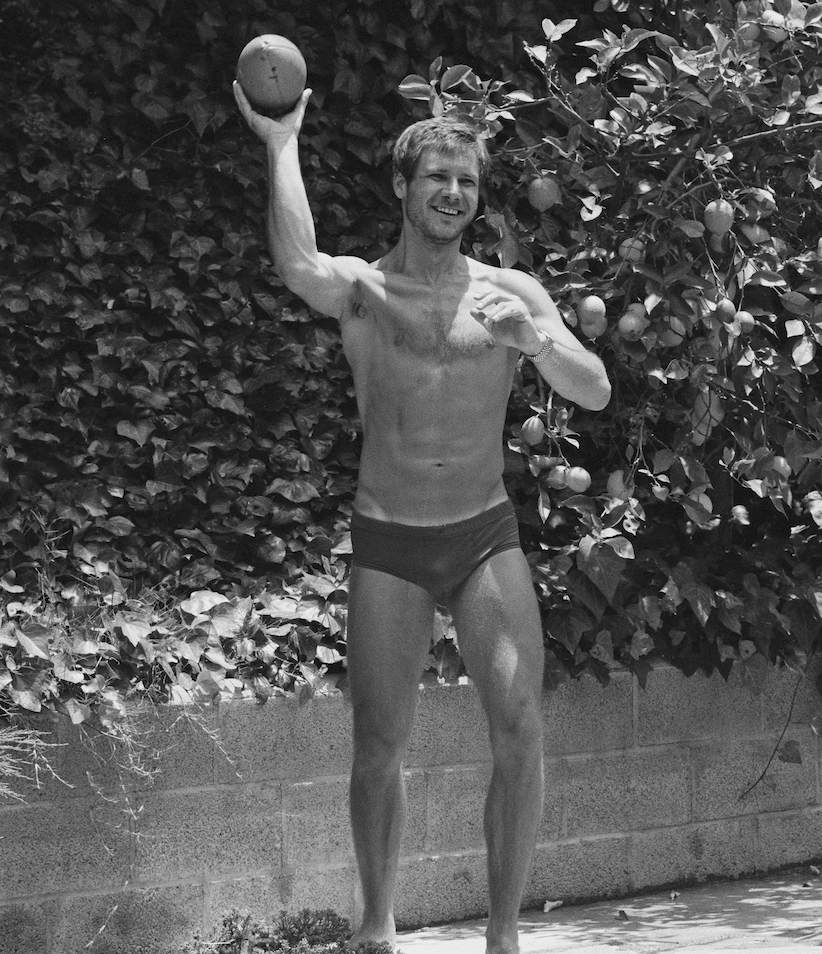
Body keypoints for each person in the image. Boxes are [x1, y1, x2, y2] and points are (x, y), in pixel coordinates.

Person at [233, 79, 610, 954]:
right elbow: (298, 264)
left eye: (467, 182)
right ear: (402, 188)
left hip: (483, 533)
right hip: (391, 539)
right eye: (437, 177)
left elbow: (590, 389)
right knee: (378, 743)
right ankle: (376, 927)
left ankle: (505, 935)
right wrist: (282, 142)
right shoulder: (365, 291)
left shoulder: (509, 291)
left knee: (520, 725)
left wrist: (538, 338)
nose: (453, 193)